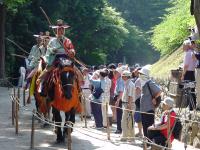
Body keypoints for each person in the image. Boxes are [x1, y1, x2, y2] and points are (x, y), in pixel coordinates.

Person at [139, 67, 161, 139]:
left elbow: (159, 90)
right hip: (143, 109)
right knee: (144, 125)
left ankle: (149, 142)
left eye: (141, 74)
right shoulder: (143, 83)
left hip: (149, 108)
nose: (140, 75)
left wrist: (154, 98)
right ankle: (146, 141)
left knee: (149, 126)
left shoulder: (149, 83)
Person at [181, 39, 197, 110]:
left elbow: (186, 66)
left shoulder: (188, 53)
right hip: (192, 72)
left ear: (187, 46)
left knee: (188, 90)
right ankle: (193, 106)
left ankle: (190, 107)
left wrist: (183, 75)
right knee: (192, 90)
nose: (183, 47)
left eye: (184, 45)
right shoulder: (193, 52)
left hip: (188, 73)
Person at [120, 70, 135, 141]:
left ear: (127, 76)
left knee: (127, 121)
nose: (122, 77)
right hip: (126, 104)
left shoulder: (130, 84)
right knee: (127, 121)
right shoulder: (127, 83)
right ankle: (128, 136)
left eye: (123, 76)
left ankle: (127, 137)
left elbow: (130, 96)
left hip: (128, 104)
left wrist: (129, 105)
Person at [114, 67, 125, 134]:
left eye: (116, 72)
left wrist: (118, 100)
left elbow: (121, 92)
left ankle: (119, 129)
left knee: (119, 114)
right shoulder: (119, 80)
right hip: (119, 98)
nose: (114, 74)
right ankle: (120, 128)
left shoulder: (120, 80)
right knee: (119, 114)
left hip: (120, 99)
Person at [132, 68, 143, 137]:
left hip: (138, 100)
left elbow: (137, 90)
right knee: (140, 117)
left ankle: (140, 133)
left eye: (136, 71)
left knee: (138, 117)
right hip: (141, 100)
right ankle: (140, 132)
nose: (134, 72)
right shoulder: (143, 79)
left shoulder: (139, 80)